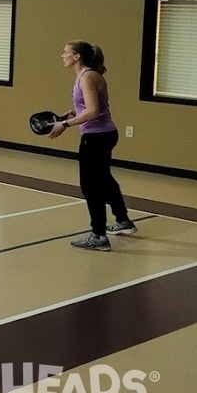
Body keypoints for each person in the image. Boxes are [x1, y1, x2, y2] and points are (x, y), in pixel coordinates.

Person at [48, 41, 136, 251]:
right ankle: (123, 221)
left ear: (77, 56)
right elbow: (88, 106)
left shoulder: (87, 77)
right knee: (104, 179)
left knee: (90, 186)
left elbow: (93, 111)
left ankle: (98, 235)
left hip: (96, 137)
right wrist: (72, 113)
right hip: (104, 134)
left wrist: (65, 124)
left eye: (66, 52)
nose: (63, 55)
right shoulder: (86, 75)